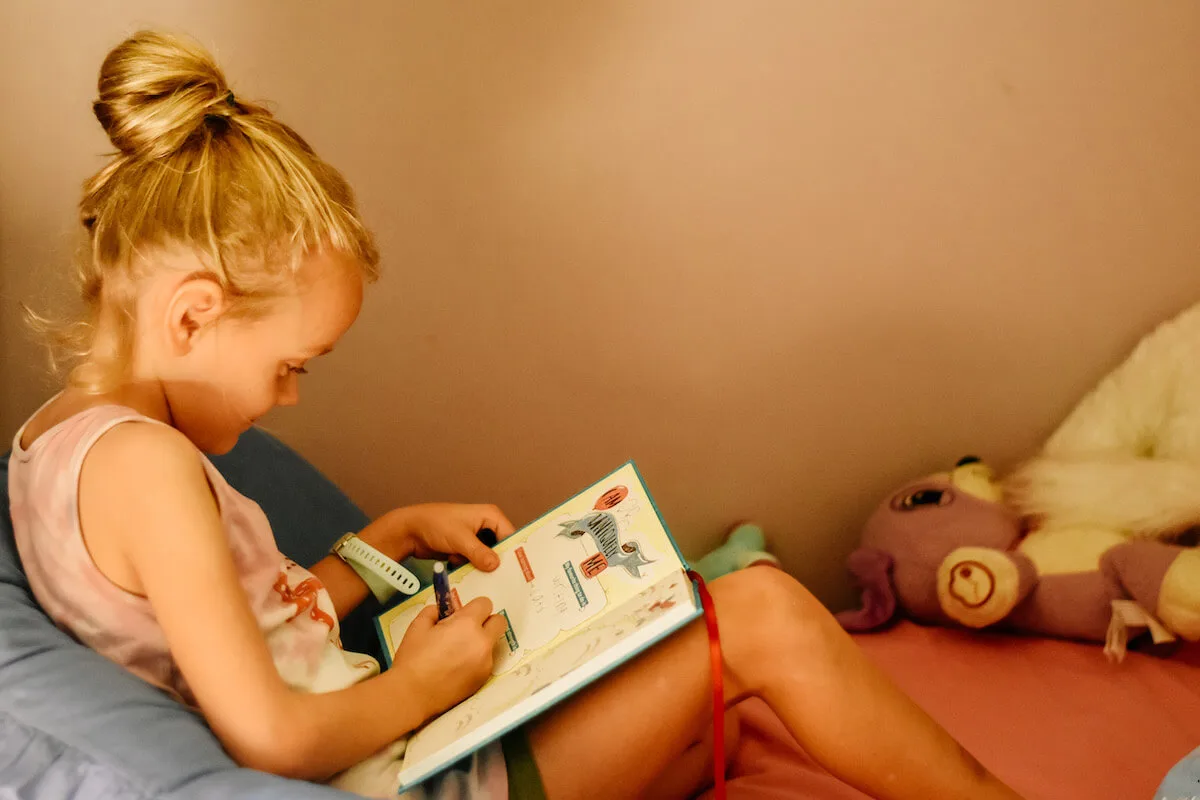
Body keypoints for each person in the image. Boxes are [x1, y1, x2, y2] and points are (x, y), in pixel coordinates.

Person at [8, 30, 1022, 800]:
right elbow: (271, 732)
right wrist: (426, 681)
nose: (289, 396)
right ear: (193, 313)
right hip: (397, 770)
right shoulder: (143, 468)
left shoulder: (58, 440)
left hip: (390, 739)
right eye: (290, 364)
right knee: (756, 610)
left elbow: (241, 629)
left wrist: (384, 538)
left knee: (682, 666)